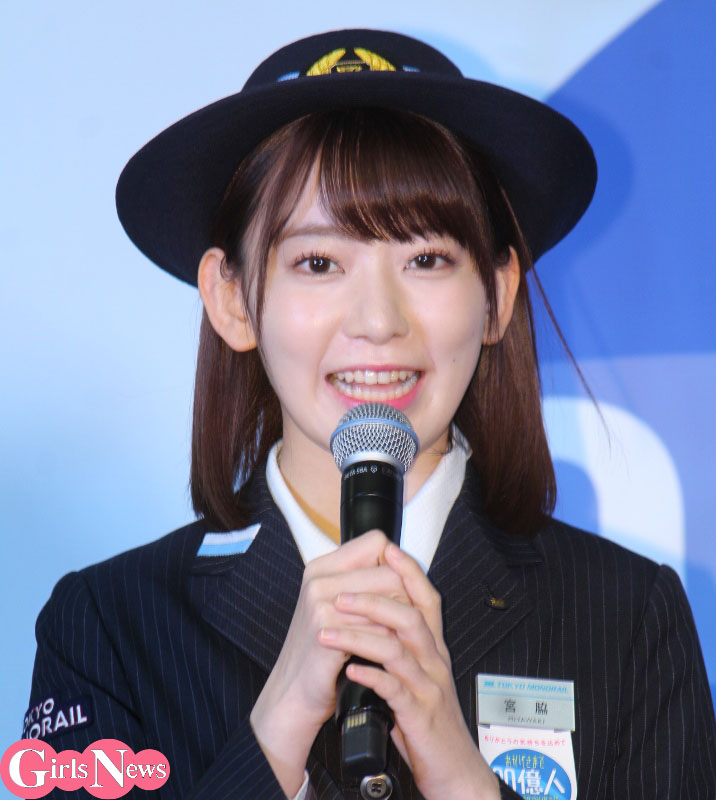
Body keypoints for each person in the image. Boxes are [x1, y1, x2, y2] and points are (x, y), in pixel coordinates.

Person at [26, 28, 715, 800]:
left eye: (427, 259)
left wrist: (461, 775)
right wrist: (279, 726)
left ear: (497, 294)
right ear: (231, 298)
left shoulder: (626, 616)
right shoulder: (110, 626)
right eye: (319, 263)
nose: (379, 321)